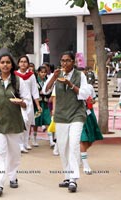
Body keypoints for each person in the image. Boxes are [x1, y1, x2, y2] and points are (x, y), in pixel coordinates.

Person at [0, 53, 30, 196]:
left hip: (14, 122)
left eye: (8, 62)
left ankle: (12, 176)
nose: (5, 65)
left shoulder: (18, 82)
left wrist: (21, 102)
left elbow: (27, 101)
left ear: (12, 65)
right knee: (0, 152)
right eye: (2, 62)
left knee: (14, 153)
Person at [43, 51, 89, 193]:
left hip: (77, 114)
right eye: (62, 61)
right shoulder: (56, 74)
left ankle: (74, 179)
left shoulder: (80, 75)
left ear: (73, 62)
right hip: (61, 115)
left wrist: (70, 84)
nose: (64, 63)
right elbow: (45, 90)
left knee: (74, 144)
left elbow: (84, 94)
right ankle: (67, 176)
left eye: (68, 60)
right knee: (63, 147)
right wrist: (54, 77)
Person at [15, 55, 42, 152]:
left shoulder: (31, 75)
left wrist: (38, 105)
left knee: (28, 124)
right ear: (18, 63)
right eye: (21, 61)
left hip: (29, 102)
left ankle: (25, 143)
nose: (23, 63)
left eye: (25, 62)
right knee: (23, 121)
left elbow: (34, 91)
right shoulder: (15, 75)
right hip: (18, 102)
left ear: (28, 64)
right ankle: (20, 144)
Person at [80, 83, 103, 175]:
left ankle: (80, 154)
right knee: (83, 139)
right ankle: (85, 164)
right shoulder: (71, 86)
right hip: (78, 114)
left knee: (91, 139)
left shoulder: (89, 87)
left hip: (89, 113)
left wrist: (91, 101)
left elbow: (93, 99)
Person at [33, 66, 52, 147]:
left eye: (45, 72)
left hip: (45, 103)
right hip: (38, 104)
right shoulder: (35, 81)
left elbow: (50, 90)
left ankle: (51, 140)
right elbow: (34, 92)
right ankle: (34, 139)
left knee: (48, 121)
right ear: (38, 72)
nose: (43, 74)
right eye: (42, 72)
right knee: (36, 123)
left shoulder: (47, 80)